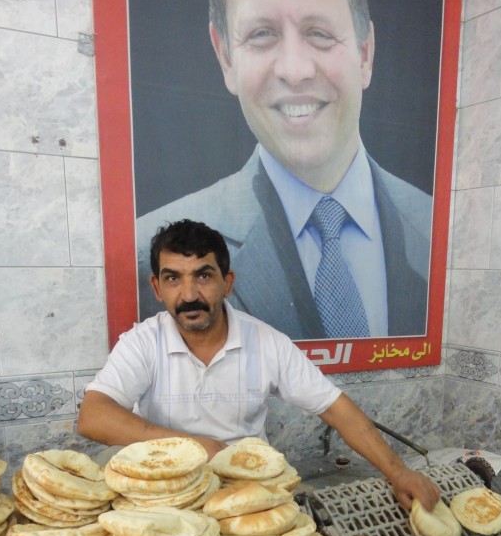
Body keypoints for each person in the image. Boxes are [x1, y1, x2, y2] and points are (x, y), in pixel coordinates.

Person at [135, 0, 432, 341]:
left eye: (319, 33)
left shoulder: (435, 229)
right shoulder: (145, 255)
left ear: (365, 53)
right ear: (225, 57)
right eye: (262, 34)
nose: (295, 70)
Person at [78, 219, 438, 511]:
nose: (188, 295)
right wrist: (191, 445)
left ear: (227, 283)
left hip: (248, 496)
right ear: (157, 288)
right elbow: (93, 416)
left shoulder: (267, 342)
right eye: (173, 278)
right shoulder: (142, 342)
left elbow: (337, 410)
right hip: (165, 499)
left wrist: (398, 473)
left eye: (203, 276)